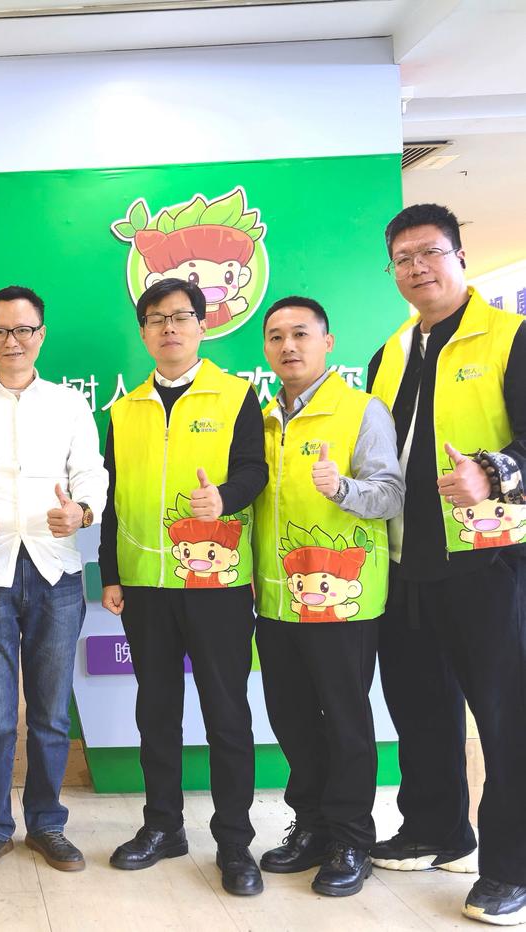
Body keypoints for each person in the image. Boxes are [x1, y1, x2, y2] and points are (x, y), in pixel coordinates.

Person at [366, 203, 526, 925]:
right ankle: (436, 829)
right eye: (402, 258)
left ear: (460, 256)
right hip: (405, 563)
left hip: (489, 563)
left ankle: (512, 866)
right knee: (420, 708)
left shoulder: (511, 337)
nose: (417, 268)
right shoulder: (391, 351)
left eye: (429, 252)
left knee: (506, 719)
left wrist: (491, 472)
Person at [99, 277, 267, 896]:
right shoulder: (125, 409)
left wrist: (223, 497)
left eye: (180, 316)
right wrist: (111, 572)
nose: (168, 327)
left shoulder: (237, 395)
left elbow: (255, 469)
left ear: (202, 324)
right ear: (143, 332)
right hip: (146, 586)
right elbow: (113, 496)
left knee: (227, 714)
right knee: (157, 711)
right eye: (156, 318)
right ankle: (163, 826)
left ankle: (235, 842)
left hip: (217, 582)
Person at [0, 284, 107, 878]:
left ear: (41, 335)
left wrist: (82, 511)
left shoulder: (69, 405)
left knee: (52, 714)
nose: (13, 341)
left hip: (56, 570)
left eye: (24, 330)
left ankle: (48, 824)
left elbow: (90, 472)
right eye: (1, 331)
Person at [251, 296, 404, 897]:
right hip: (277, 597)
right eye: (276, 336)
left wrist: (341, 488)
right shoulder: (265, 418)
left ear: (327, 342)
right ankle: (311, 825)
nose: (288, 346)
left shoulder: (362, 410)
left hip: (343, 601)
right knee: (289, 717)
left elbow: (391, 494)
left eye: (301, 334)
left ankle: (351, 837)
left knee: (344, 720)